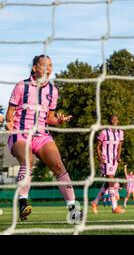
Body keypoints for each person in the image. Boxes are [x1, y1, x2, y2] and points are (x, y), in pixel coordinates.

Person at [4, 55, 82, 221]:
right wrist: (8, 124)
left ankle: (73, 209)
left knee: (59, 166)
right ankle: (23, 202)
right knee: (28, 160)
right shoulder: (21, 86)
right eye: (45, 65)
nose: (49, 68)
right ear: (34, 68)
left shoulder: (53, 90)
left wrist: (59, 120)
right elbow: (10, 114)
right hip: (20, 132)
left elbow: (50, 118)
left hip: (41, 134)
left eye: (51, 66)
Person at [91, 115, 125, 214]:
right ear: (109, 121)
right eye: (112, 119)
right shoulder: (104, 132)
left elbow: (120, 146)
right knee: (111, 181)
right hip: (106, 159)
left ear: (118, 121)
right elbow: (98, 147)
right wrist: (100, 158)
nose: (114, 120)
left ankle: (95, 202)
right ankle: (114, 207)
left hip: (114, 160)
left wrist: (118, 156)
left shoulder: (120, 132)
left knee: (107, 183)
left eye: (116, 119)